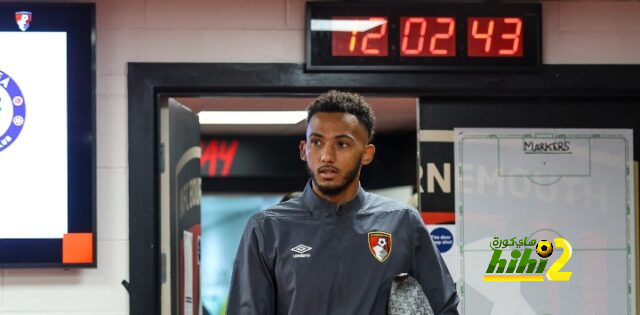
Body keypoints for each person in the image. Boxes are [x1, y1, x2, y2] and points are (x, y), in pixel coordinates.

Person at [227, 90, 459, 314]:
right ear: (303, 149)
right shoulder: (267, 228)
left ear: (366, 154)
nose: (327, 156)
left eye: (342, 144)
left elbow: (444, 307)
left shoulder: (402, 221)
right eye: (317, 142)